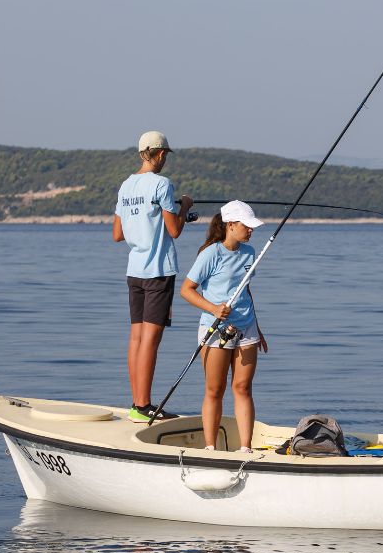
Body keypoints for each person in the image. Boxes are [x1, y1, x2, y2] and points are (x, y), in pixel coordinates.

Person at [113, 130, 193, 423]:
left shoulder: (126, 186)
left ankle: (136, 402)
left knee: (136, 338)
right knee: (150, 340)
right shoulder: (162, 184)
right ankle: (144, 405)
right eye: (165, 156)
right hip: (158, 271)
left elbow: (117, 234)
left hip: (134, 270)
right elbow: (175, 230)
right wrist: (184, 205)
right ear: (159, 154)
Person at [181, 200, 268, 452]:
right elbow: (187, 290)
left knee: (242, 388)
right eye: (246, 226)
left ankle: (245, 448)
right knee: (214, 389)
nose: (251, 231)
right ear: (231, 225)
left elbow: (245, 290)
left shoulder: (249, 253)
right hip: (215, 328)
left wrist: (258, 328)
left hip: (246, 327)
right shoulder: (210, 254)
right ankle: (210, 447)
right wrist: (213, 308)